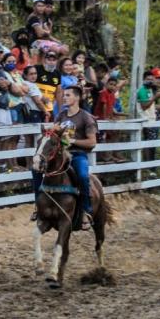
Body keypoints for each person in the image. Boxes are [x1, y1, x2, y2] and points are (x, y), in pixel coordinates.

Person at [33, 85, 98, 230]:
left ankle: (86, 211)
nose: (64, 97)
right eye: (64, 95)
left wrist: (73, 141)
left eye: (68, 95)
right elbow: (54, 133)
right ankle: (38, 207)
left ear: (77, 98)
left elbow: (92, 142)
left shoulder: (86, 117)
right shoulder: (61, 115)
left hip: (77, 154)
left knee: (82, 175)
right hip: (60, 155)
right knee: (36, 170)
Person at [137, 70, 160, 161]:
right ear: (143, 79)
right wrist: (155, 98)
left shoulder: (150, 89)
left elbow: (152, 105)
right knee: (148, 142)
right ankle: (148, 164)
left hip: (152, 119)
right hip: (145, 119)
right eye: (148, 79)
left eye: (152, 79)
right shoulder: (142, 90)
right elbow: (144, 107)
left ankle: (151, 163)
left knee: (153, 143)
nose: (150, 81)